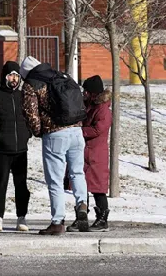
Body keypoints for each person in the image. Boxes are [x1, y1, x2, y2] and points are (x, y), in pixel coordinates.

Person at [20, 56, 89, 236]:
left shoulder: (31, 84)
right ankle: (82, 203)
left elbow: (30, 113)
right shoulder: (60, 75)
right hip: (76, 130)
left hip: (55, 134)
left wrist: (38, 131)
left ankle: (57, 221)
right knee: (77, 172)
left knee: (55, 181)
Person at [0, 61, 31, 232]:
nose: (14, 79)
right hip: (1, 150)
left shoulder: (23, 96)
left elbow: (29, 118)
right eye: (10, 75)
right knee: (0, 184)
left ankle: (22, 217)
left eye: (16, 76)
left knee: (21, 185)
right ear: (4, 77)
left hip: (21, 149)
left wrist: (26, 135)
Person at [71, 75, 112, 232]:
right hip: (86, 152)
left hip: (96, 155)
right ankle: (82, 216)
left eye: (86, 91)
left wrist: (79, 131)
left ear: (93, 93)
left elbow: (98, 129)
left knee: (98, 188)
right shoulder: (89, 106)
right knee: (82, 186)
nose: (84, 94)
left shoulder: (103, 110)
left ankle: (102, 218)